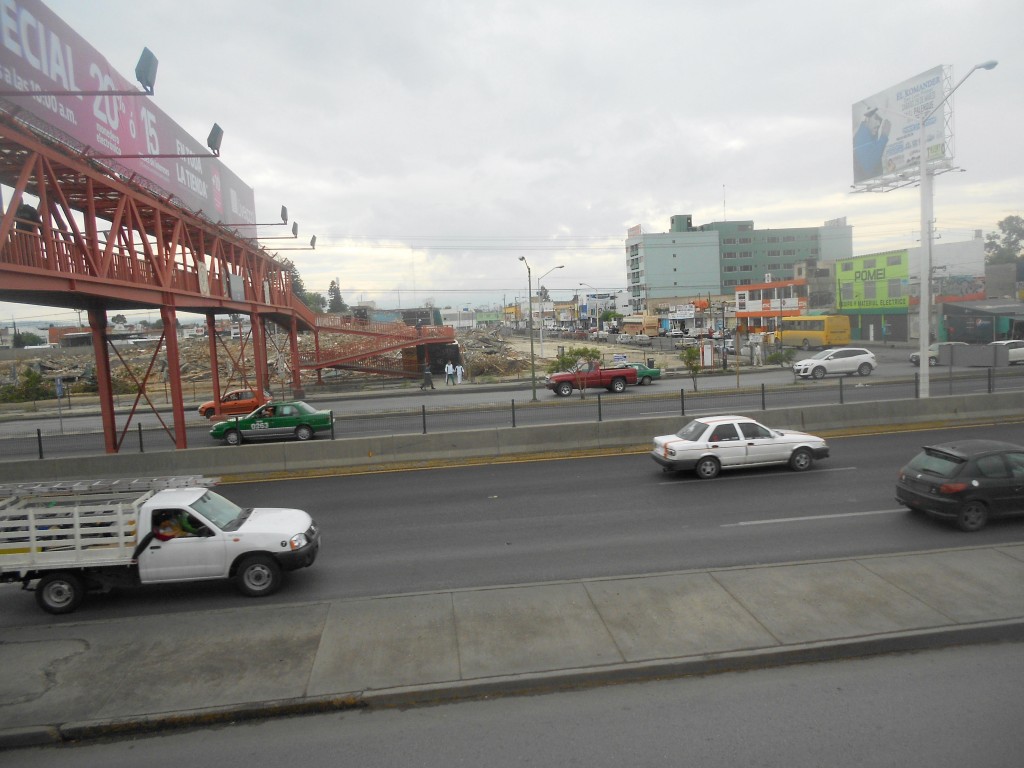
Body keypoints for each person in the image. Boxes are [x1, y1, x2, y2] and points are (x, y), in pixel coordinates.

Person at [853, 107, 891, 182]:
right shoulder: (862, 134)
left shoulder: (870, 135)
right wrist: (884, 136)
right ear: (867, 118)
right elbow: (868, 165)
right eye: (876, 118)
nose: (879, 123)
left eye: (880, 120)